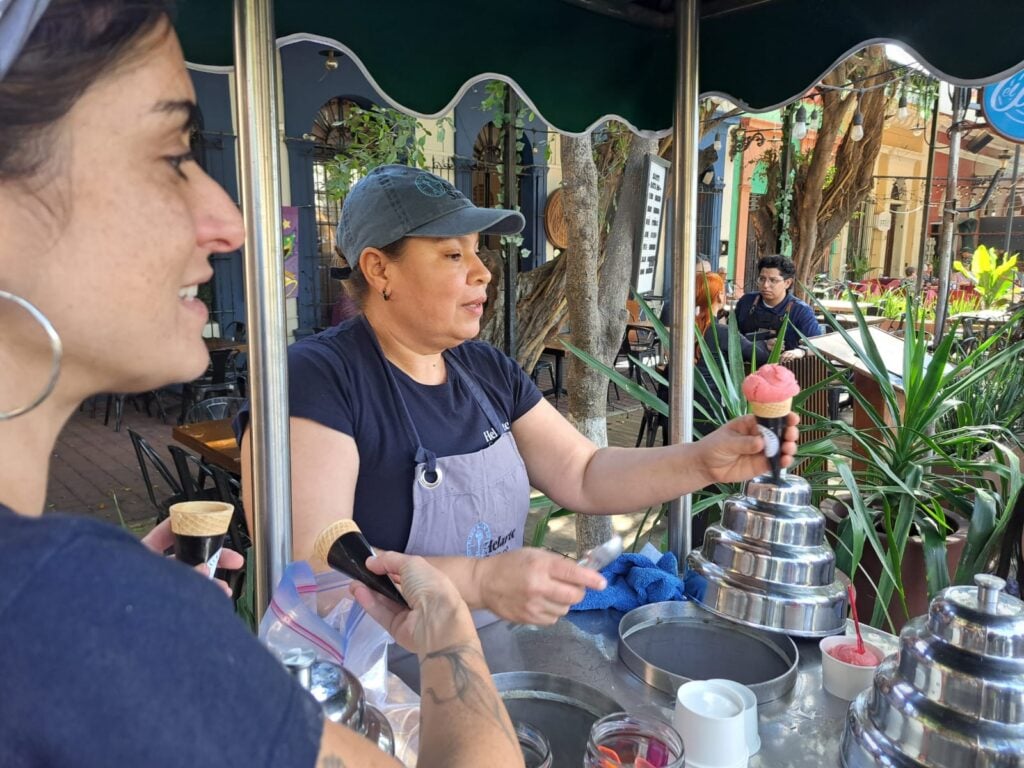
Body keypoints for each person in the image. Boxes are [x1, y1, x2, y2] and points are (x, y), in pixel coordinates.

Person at [0, 3, 522, 767]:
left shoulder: (74, 611)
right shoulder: (56, 611)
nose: (229, 221)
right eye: (172, 153)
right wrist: (447, 631)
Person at [238, 165, 800, 627]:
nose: (484, 272)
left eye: (478, 252)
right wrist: (481, 581)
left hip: (490, 657)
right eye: (453, 255)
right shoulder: (316, 378)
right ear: (379, 268)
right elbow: (318, 560)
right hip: (377, 683)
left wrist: (703, 459)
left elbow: (582, 471)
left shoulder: (485, 368)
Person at [694, 273, 771, 430]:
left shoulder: (684, 328)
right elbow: (759, 356)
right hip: (708, 412)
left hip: (675, 407)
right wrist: (768, 344)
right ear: (720, 296)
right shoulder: (722, 332)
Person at [734, 254, 821, 358]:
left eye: (773, 280)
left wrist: (800, 352)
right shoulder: (746, 302)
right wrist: (761, 344)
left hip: (786, 370)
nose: (765, 285)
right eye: (762, 279)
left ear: (787, 283)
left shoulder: (801, 311)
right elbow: (731, 337)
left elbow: (818, 346)